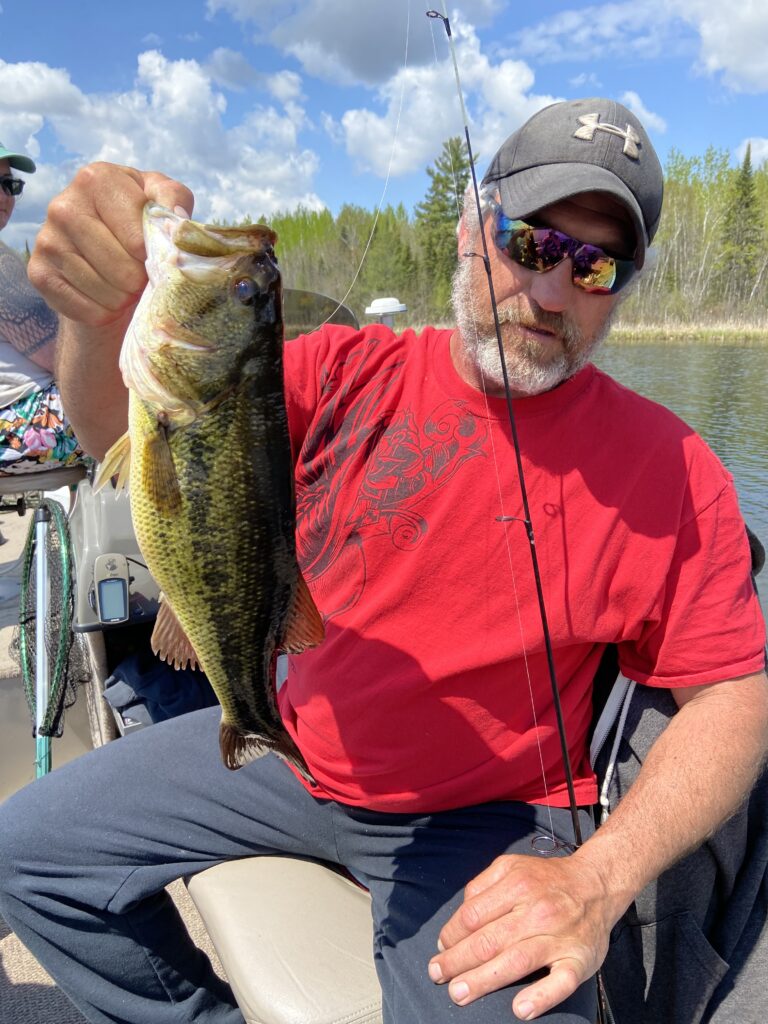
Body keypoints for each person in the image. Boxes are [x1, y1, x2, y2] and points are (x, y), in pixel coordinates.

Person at [0, 97, 765, 1024]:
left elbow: (734, 696)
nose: (554, 291)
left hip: (486, 818)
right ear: (468, 231)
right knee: (25, 853)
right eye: (530, 242)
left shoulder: (674, 470)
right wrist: (94, 315)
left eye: (596, 265)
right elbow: (128, 434)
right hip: (287, 753)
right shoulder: (340, 370)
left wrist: (599, 879)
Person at [0, 139, 84, 474]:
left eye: (10, 184)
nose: (4, 196)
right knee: (151, 411)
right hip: (18, 426)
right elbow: (67, 360)